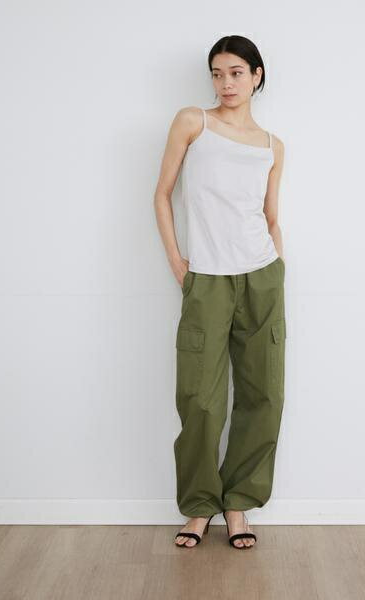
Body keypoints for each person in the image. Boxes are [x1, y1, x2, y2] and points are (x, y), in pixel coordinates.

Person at [154, 35, 286, 549]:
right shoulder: (194, 122)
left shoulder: (273, 145)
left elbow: (271, 216)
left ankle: (237, 504)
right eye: (217, 73)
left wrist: (276, 265)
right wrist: (178, 262)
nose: (225, 83)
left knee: (263, 396)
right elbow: (162, 194)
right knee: (200, 399)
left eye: (235, 73)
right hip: (206, 277)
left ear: (256, 76)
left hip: (262, 276)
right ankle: (198, 508)